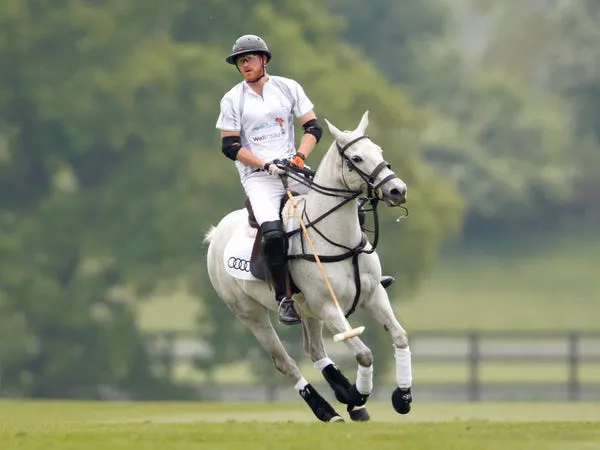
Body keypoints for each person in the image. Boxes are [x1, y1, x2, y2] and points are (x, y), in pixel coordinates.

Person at [216, 34, 395, 325]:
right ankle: (285, 298)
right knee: (273, 233)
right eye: (239, 61)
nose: (244, 65)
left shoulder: (288, 88)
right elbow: (230, 147)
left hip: (293, 167)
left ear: (264, 60)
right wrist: (264, 165)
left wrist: (299, 157)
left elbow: (312, 127)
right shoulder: (232, 99)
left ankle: (366, 272)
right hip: (259, 178)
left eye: (248, 58)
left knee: (348, 203)